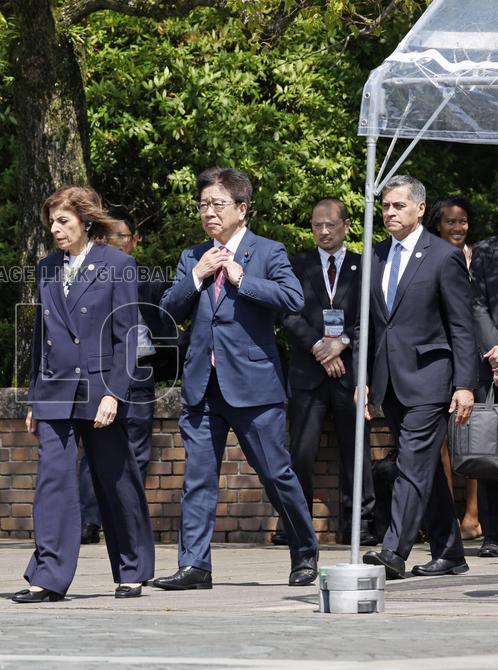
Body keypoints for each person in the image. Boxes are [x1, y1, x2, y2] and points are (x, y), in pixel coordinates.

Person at [154, 167, 318, 591]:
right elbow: (168, 311)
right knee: (198, 480)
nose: (209, 212)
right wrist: (197, 277)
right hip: (202, 386)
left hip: (253, 385)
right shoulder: (193, 256)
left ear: (242, 210)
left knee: (276, 474)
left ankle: (304, 554)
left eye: (218, 204)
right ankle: (195, 566)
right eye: (203, 205)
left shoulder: (268, 251)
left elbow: (293, 298)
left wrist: (244, 280)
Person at [16, 185, 154, 603]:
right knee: (52, 482)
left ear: (86, 221)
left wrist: (115, 392)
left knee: (115, 479)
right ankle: (48, 577)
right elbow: (43, 337)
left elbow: (129, 336)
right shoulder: (45, 268)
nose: (55, 230)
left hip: (100, 387)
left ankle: (132, 569)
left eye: (64, 221)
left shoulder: (119, 264)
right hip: (55, 388)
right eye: (52, 222)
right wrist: (34, 397)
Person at [361, 175, 476, 580]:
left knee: (411, 463)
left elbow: (461, 325)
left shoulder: (443, 256)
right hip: (389, 380)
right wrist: (365, 376)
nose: (389, 212)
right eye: (386, 206)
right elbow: (370, 325)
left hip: (431, 378)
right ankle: (449, 551)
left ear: (420, 209)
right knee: (423, 467)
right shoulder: (374, 256)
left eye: (398, 206)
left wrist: (464, 384)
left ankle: (393, 551)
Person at [278, 198, 378, 547]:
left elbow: (373, 317)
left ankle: (361, 523)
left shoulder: (364, 266)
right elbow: (288, 313)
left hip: (350, 373)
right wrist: (321, 348)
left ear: (346, 225)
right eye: (316, 225)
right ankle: (294, 521)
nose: (323, 231)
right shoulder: (296, 264)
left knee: (356, 451)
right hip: (309, 374)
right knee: (301, 450)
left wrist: (343, 342)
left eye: (330, 224)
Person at [78, 207, 175, 545]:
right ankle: (88, 521)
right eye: (108, 237)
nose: (115, 243)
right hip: (100, 371)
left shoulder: (151, 279)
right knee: (94, 448)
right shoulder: (90, 278)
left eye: (122, 236)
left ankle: (128, 519)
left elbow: (168, 327)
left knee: (137, 449)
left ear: (135, 240)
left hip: (139, 370)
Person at [428, 195, 481, 540]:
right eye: (451, 221)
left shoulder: (480, 258)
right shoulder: (428, 257)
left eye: (462, 221)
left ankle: (473, 516)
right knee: (442, 444)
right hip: (436, 359)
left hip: (472, 355)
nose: (457, 227)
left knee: (473, 438)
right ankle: (445, 517)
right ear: (437, 225)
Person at [470, 176, 498, 559]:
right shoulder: (486, 250)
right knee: (493, 452)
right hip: (494, 365)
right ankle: (494, 533)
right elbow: (475, 305)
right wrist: (497, 350)